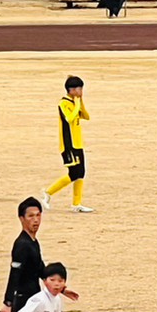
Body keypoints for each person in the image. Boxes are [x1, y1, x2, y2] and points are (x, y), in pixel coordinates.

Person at [41, 77, 94, 214]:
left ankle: (77, 204)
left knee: (81, 173)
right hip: (69, 144)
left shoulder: (75, 102)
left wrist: (80, 101)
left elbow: (86, 116)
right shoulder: (63, 103)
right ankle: (48, 192)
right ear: (71, 90)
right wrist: (76, 103)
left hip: (78, 143)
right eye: (78, 89)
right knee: (74, 173)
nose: (81, 91)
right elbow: (69, 118)